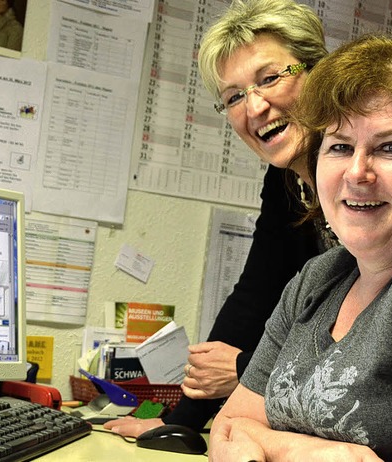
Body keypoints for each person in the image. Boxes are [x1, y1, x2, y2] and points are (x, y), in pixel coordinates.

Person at [209, 33, 392, 462]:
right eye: (340, 147)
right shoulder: (320, 277)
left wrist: (266, 445)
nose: (357, 173)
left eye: (391, 148)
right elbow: (230, 428)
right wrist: (336, 456)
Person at [105, 0, 333, 437]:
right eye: (233, 97)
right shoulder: (286, 180)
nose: (254, 107)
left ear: (317, 72)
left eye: (269, 79)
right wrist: (178, 424)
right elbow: (255, 297)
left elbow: (371, 334)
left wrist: (249, 370)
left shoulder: (364, 180)